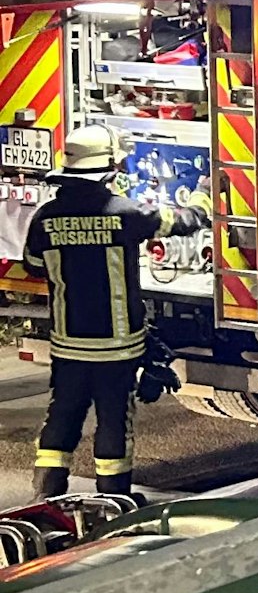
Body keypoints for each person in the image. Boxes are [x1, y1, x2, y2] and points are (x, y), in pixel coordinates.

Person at [25, 124, 209, 497]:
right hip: (117, 347)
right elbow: (182, 222)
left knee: (61, 418)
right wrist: (205, 195)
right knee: (113, 424)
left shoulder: (45, 217)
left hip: (68, 345)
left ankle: (45, 499)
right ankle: (113, 499)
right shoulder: (125, 212)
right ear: (106, 170)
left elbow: (32, 263)